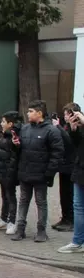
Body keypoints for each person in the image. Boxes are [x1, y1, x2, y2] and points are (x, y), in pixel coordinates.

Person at [10, 100, 64, 242]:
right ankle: (20, 229)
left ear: (39, 113)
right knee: (23, 200)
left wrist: (49, 173)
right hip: (25, 172)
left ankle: (41, 231)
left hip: (41, 174)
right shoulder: (25, 129)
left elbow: (57, 154)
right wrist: (16, 145)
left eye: (31, 111)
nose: (28, 114)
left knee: (41, 202)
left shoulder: (51, 131)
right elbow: (19, 150)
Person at [0, 111, 22, 234]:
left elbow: (16, 152)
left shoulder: (14, 136)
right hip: (3, 171)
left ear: (10, 123)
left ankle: (12, 222)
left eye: (3, 121)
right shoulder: (6, 135)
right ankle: (3, 219)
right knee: (5, 196)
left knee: (10, 196)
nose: (1, 124)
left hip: (10, 172)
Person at [57, 105, 84, 252]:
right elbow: (77, 144)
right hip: (80, 169)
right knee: (78, 208)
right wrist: (74, 129)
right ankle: (77, 241)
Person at [51, 105, 77, 232]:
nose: (65, 116)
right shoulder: (66, 126)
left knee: (69, 194)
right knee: (63, 194)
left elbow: (68, 141)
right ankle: (65, 218)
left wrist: (58, 127)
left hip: (71, 166)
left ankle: (71, 220)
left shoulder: (75, 127)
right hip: (63, 165)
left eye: (66, 114)